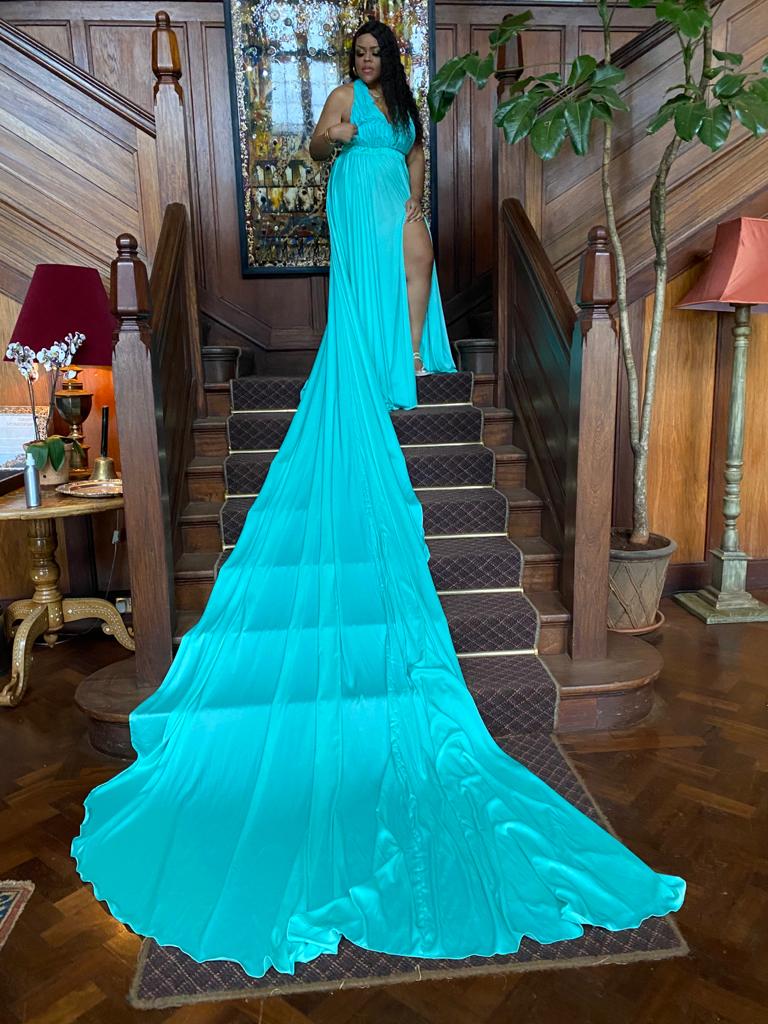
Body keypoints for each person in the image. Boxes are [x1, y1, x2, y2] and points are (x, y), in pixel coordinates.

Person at [70, 18, 685, 979]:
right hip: (353, 192)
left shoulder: (405, 104)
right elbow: (319, 147)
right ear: (347, 64)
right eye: (354, 53)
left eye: (371, 52)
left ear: (388, 57)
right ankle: (367, 363)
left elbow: (421, 165)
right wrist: (341, 137)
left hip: (393, 195)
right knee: (366, 289)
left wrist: (407, 195)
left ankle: (402, 360)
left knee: (413, 262)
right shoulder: (344, 101)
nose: (363, 61)